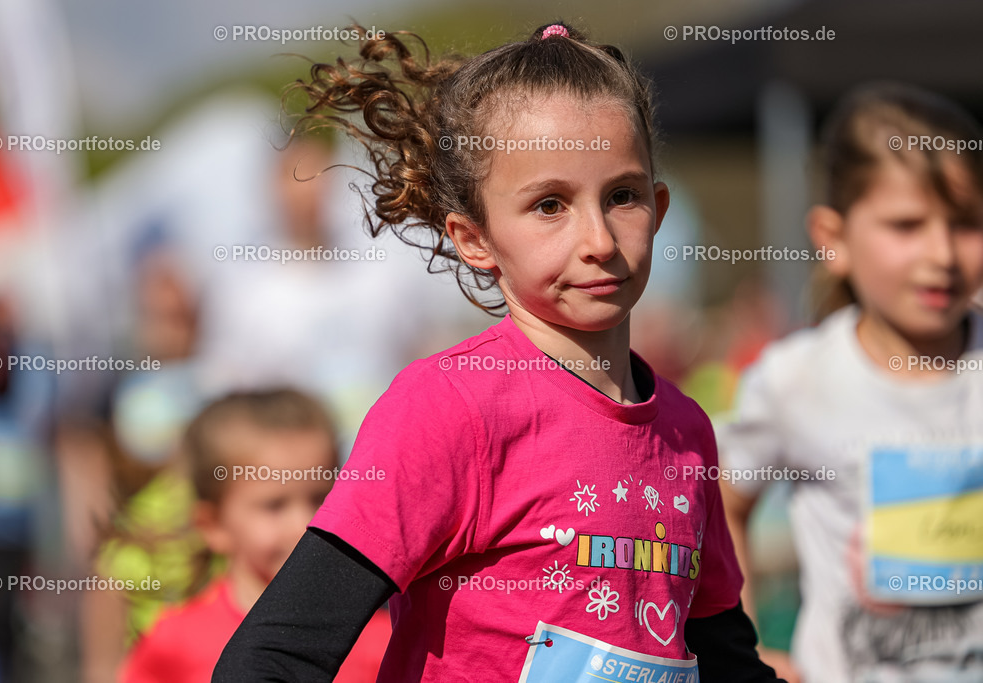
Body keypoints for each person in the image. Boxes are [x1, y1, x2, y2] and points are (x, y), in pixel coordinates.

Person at [213, 22, 783, 682]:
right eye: (549, 204)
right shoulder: (448, 409)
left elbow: (728, 661)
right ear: (474, 238)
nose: (599, 238)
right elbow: (273, 658)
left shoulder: (687, 431)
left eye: (621, 195)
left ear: (657, 209)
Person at [719, 83, 983, 682]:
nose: (941, 253)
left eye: (965, 223)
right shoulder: (796, 380)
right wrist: (750, 648)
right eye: (907, 225)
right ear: (833, 240)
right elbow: (723, 502)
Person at [119, 389, 390, 683]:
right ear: (213, 525)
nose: (305, 524)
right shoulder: (173, 643)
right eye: (274, 505)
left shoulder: (382, 639)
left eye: (321, 498)